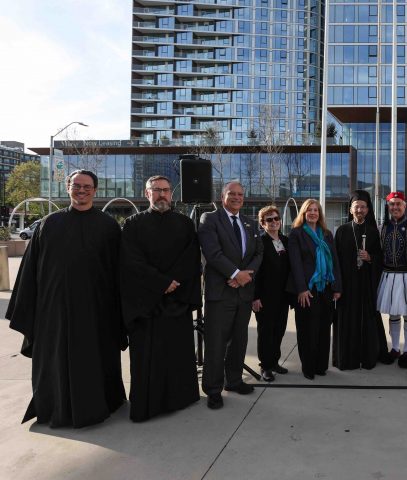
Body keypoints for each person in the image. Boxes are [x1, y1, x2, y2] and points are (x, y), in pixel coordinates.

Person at [6, 169, 126, 427]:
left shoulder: (108, 226)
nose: (81, 191)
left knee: (94, 360)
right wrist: (29, 310)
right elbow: (30, 271)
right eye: (76, 185)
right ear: (68, 187)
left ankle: (98, 405)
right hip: (54, 311)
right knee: (55, 360)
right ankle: (55, 407)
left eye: (87, 187)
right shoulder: (48, 224)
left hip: (96, 310)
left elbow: (119, 271)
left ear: (95, 190)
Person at [120, 176, 201, 422]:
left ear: (171, 194)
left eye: (166, 190)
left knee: (178, 356)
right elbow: (131, 261)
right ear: (147, 194)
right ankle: (149, 404)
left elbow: (191, 259)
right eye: (156, 190)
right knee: (147, 358)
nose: (162, 194)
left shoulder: (185, 223)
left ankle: (180, 398)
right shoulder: (133, 224)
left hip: (177, 301)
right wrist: (160, 283)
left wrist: (172, 283)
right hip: (147, 305)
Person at [198, 181, 264, 410]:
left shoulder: (250, 223)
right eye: (232, 194)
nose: (237, 197)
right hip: (220, 293)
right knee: (216, 344)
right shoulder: (210, 219)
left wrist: (245, 276)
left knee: (239, 340)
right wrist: (236, 274)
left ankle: (233, 381)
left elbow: (259, 253)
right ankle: (213, 390)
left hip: (243, 293)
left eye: (240, 194)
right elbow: (212, 253)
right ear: (222, 196)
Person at [287, 199, 342, 380]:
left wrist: (337, 287)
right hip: (307, 290)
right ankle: (308, 367)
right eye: (309, 210)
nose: (312, 213)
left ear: (319, 214)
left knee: (324, 329)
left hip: (325, 288)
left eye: (316, 210)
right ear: (303, 213)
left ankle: (320, 366)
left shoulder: (326, 234)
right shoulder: (296, 234)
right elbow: (295, 263)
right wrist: (301, 289)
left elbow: (334, 260)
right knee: (307, 330)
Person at [333, 191, 388, 370]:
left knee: (366, 321)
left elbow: (381, 258)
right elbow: (335, 261)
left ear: (368, 210)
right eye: (356, 207)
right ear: (350, 209)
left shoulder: (373, 232)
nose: (360, 210)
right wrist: (337, 285)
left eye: (363, 207)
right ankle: (346, 358)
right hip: (347, 286)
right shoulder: (342, 231)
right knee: (347, 321)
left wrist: (370, 257)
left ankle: (367, 357)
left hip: (366, 285)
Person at [377, 191, 407, 369]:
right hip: (388, 275)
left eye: (398, 204)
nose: (395, 207)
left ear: (404, 206)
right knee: (393, 314)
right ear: (388, 206)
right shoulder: (381, 227)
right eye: (392, 204)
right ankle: (395, 348)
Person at [252, 205, 292, 382]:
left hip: (283, 295)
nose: (274, 222)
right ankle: (266, 366)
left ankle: (274, 361)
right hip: (264, 296)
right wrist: (255, 297)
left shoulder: (286, 240)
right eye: (269, 219)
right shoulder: (259, 242)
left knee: (279, 330)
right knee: (266, 332)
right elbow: (254, 272)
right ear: (262, 223)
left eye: (276, 218)